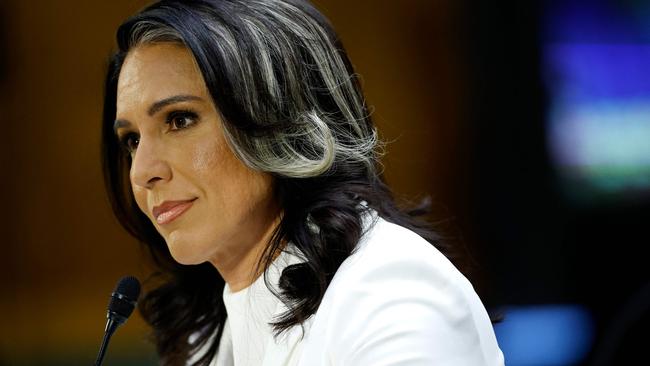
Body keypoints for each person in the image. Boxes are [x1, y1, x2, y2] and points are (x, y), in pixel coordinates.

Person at [101, 0, 505, 365]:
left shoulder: (391, 289)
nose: (142, 172)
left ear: (281, 120)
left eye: (180, 119)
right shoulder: (206, 336)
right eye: (132, 140)